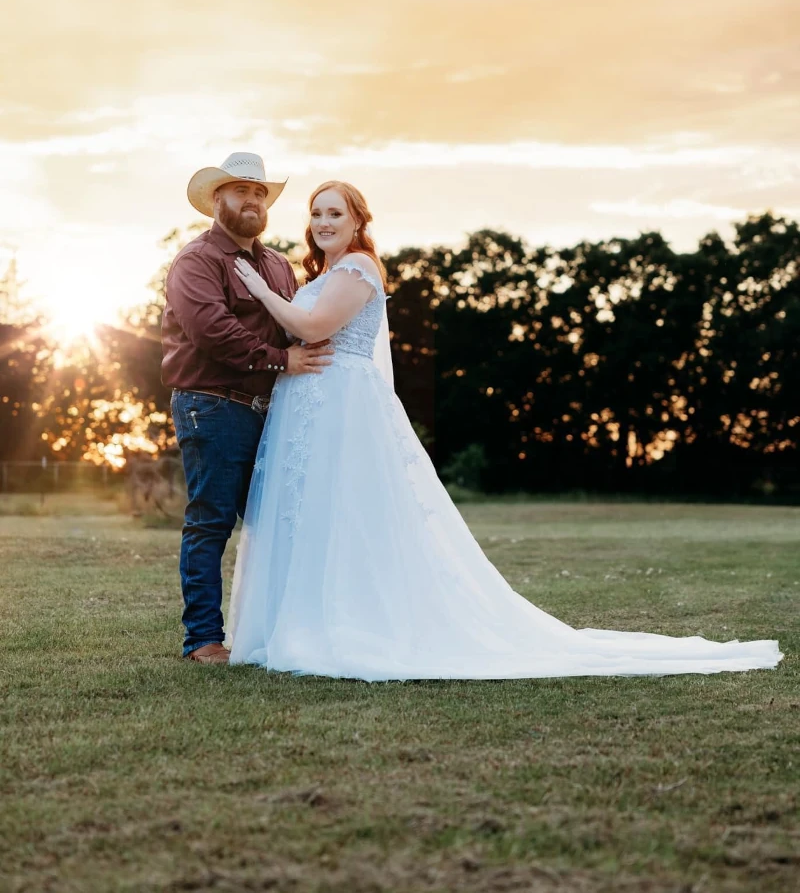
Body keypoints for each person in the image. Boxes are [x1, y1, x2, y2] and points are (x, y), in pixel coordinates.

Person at [227, 180, 783, 680]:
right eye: (317, 213)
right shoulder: (322, 274)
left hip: (343, 403)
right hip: (307, 404)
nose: (324, 222)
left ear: (357, 223)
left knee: (347, 512)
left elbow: (313, 325)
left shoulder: (359, 268)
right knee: (310, 512)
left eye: (335, 214)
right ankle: (296, 623)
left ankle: (347, 626)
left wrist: (259, 287)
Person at [161, 153, 333, 664]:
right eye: (240, 191)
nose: (252, 200)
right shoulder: (197, 261)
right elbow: (212, 331)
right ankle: (203, 640)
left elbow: (299, 322)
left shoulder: (279, 265)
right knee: (211, 520)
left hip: (271, 409)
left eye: (260, 193)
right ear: (217, 201)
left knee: (278, 520)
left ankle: (277, 629)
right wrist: (282, 359)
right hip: (213, 405)